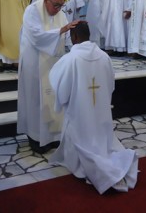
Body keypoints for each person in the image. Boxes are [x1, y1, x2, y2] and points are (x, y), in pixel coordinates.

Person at [49, 22, 138, 194]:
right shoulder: (105, 57)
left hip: (79, 114)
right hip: (101, 112)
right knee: (101, 139)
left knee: (79, 134)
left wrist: (62, 101)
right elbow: (111, 85)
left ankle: (84, 165)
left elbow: (61, 88)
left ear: (74, 37)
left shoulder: (70, 59)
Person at [17, 0, 79, 154]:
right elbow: (37, 36)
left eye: (61, 5)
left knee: (53, 101)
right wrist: (61, 30)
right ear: (46, 0)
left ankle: (53, 138)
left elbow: (66, 38)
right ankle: (36, 138)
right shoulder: (32, 11)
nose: (58, 9)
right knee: (36, 100)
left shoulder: (60, 13)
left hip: (54, 64)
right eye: (56, 5)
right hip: (35, 64)